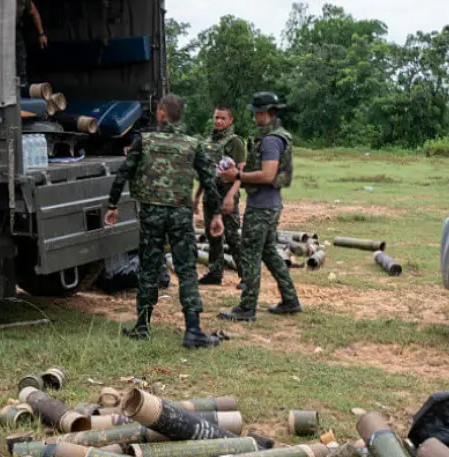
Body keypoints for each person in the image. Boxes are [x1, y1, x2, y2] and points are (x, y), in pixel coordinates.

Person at [104, 94, 226, 349]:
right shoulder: (193, 145)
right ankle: (193, 330)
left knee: (149, 267)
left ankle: (142, 325)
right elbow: (209, 182)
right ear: (181, 115)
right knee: (186, 269)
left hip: (151, 214)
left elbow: (124, 173)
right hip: (180, 214)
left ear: (161, 113)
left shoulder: (144, 141)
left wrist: (113, 205)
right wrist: (215, 214)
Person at [218, 92, 301, 322]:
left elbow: (268, 174)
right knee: (269, 253)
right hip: (270, 205)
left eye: (257, 113)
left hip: (261, 208)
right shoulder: (276, 136)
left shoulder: (271, 140)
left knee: (250, 255)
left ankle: (246, 308)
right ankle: (290, 300)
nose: (254, 118)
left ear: (268, 114)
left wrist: (238, 174)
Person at [194, 105, 246, 286]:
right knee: (213, 234)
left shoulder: (235, 142)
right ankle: (215, 273)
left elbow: (240, 173)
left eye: (223, 118)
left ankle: (246, 275)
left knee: (232, 236)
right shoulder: (207, 142)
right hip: (210, 194)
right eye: (216, 117)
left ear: (230, 120)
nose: (218, 121)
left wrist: (231, 196)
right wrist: (197, 196)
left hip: (226, 193)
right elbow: (205, 172)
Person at [16, 0, 49, 88]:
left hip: (15, 29)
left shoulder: (24, 1)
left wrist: (41, 34)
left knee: (20, 57)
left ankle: (22, 84)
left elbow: (34, 12)